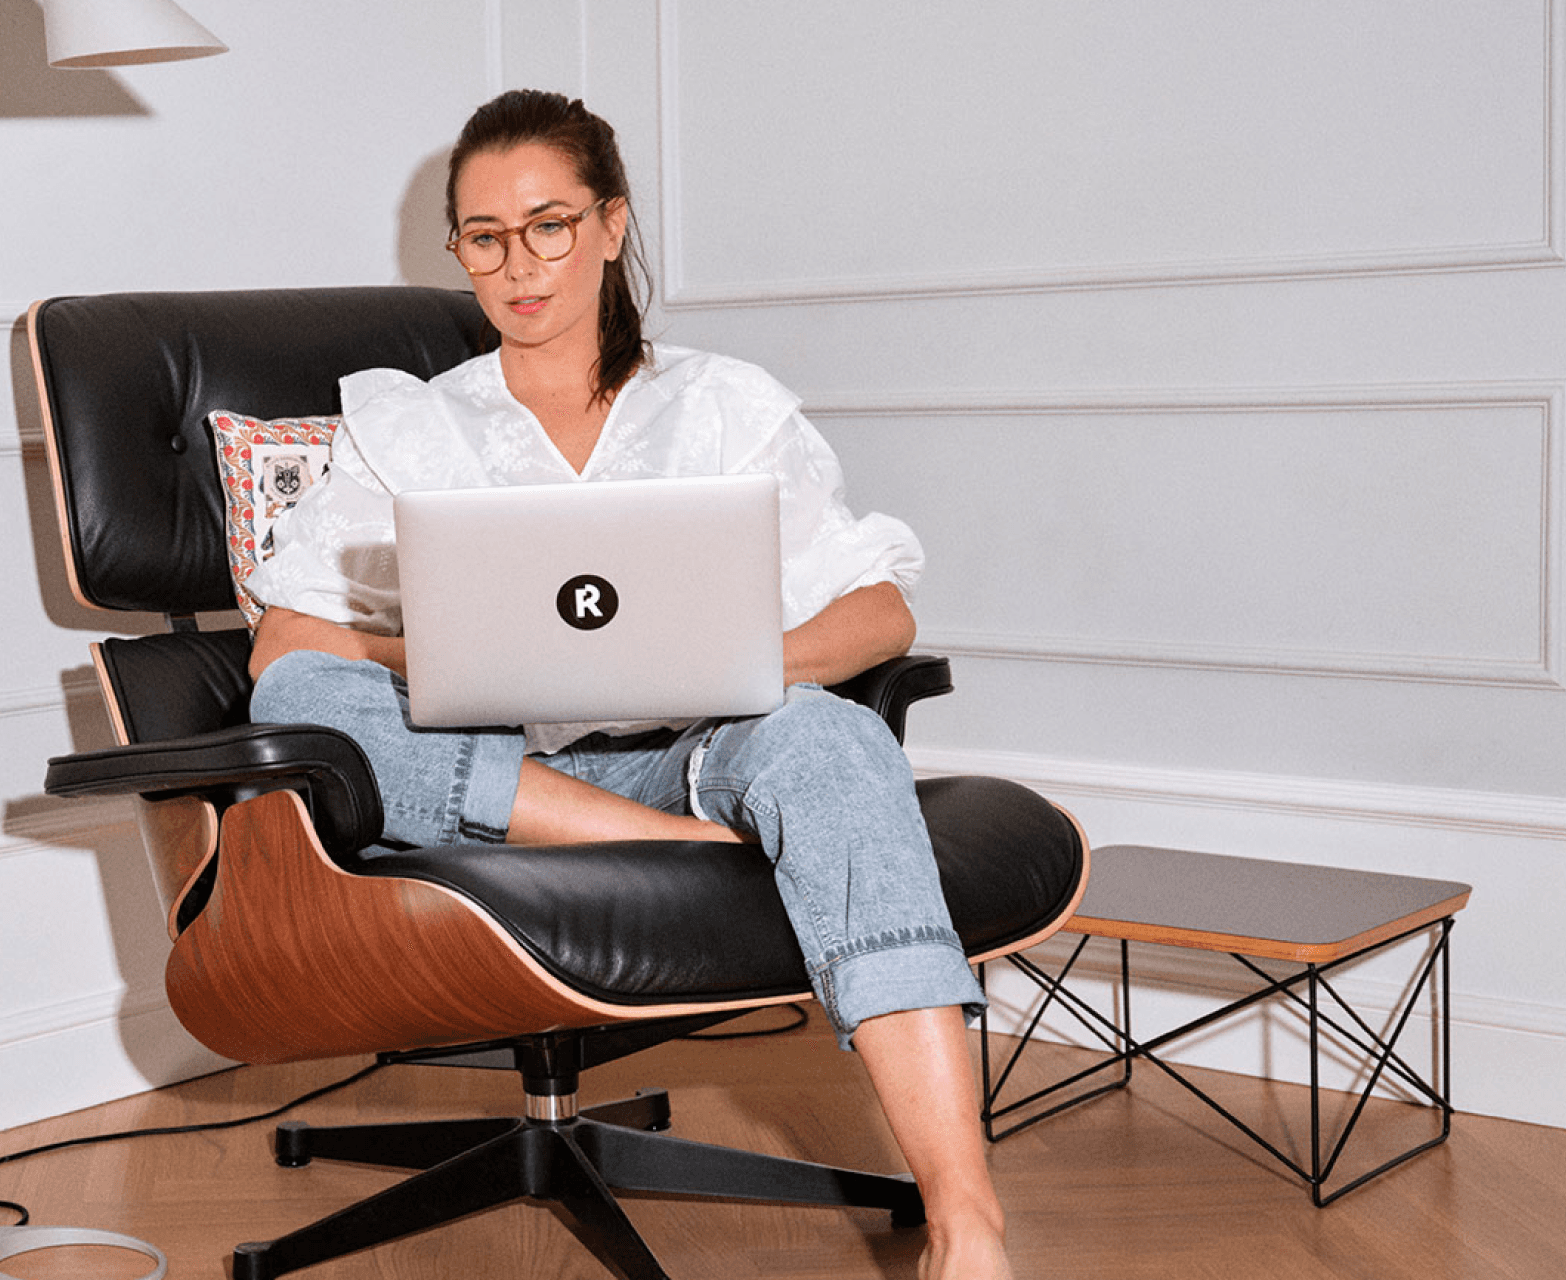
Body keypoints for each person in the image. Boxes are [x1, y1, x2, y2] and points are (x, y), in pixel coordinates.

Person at [239, 88, 1014, 1280]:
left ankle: (968, 1219)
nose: (518, 263)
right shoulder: (411, 428)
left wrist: (728, 661)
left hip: (694, 743)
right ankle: (676, 841)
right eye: (484, 236)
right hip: (495, 760)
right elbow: (286, 644)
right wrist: (452, 651)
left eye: (549, 224)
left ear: (610, 223)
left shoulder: (722, 406)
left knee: (836, 747)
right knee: (304, 699)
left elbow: (880, 610)